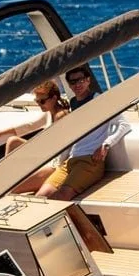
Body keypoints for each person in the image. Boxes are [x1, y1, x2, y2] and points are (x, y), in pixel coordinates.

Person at [38, 64, 118, 201]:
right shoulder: (73, 102)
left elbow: (124, 124)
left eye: (81, 80)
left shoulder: (98, 100)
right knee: (41, 195)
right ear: (69, 85)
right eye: (73, 82)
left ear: (88, 80)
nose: (77, 84)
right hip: (71, 160)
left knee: (61, 196)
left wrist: (106, 145)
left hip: (90, 161)